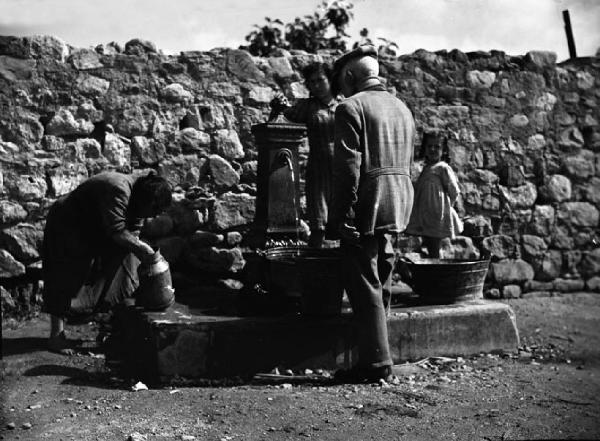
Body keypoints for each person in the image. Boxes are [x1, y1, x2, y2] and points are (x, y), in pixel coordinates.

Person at [328, 45, 415, 383]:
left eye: (341, 82)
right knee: (383, 279)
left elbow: (348, 170)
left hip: (368, 202)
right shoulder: (402, 107)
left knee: (364, 282)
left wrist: (341, 217)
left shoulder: (351, 108)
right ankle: (376, 353)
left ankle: (376, 363)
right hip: (398, 203)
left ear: (350, 76)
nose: (341, 90)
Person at [42, 171, 172, 354]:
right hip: (67, 222)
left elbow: (133, 231)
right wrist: (145, 250)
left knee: (124, 264)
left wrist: (140, 254)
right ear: (148, 203)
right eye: (154, 212)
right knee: (66, 275)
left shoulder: (140, 197)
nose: (153, 217)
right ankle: (56, 336)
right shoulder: (118, 189)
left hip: (94, 226)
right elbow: (118, 231)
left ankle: (111, 320)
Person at [270, 62, 339, 248]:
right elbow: (279, 122)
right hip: (319, 170)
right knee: (319, 222)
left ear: (331, 80)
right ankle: (313, 266)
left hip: (345, 170)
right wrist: (277, 107)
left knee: (346, 221)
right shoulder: (307, 107)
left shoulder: (346, 103)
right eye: (311, 82)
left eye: (320, 80)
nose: (316, 85)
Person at [405, 131, 463, 258]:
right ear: (424, 148)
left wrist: (447, 207)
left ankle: (438, 267)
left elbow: (454, 190)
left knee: (435, 243)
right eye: (429, 146)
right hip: (425, 215)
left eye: (437, 147)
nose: (432, 149)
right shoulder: (425, 169)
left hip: (437, 215)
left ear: (444, 150)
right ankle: (433, 267)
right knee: (430, 244)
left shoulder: (443, 168)